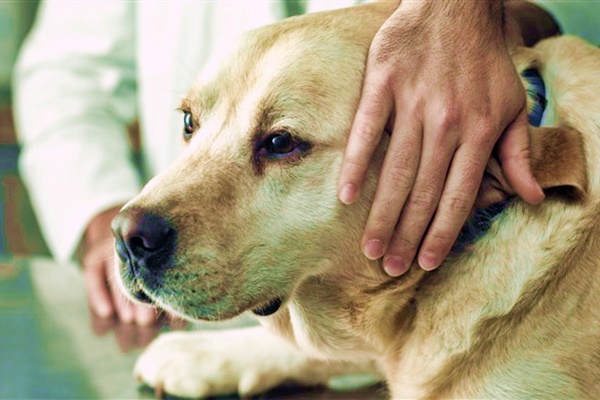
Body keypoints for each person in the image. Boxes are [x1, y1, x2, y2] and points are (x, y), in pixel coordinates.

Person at [12, 0, 570, 325]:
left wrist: (478, 16)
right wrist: (95, 211)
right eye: (190, 122)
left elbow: (548, 21)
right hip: (202, 321)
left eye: (280, 143)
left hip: (443, 289)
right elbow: (65, 75)